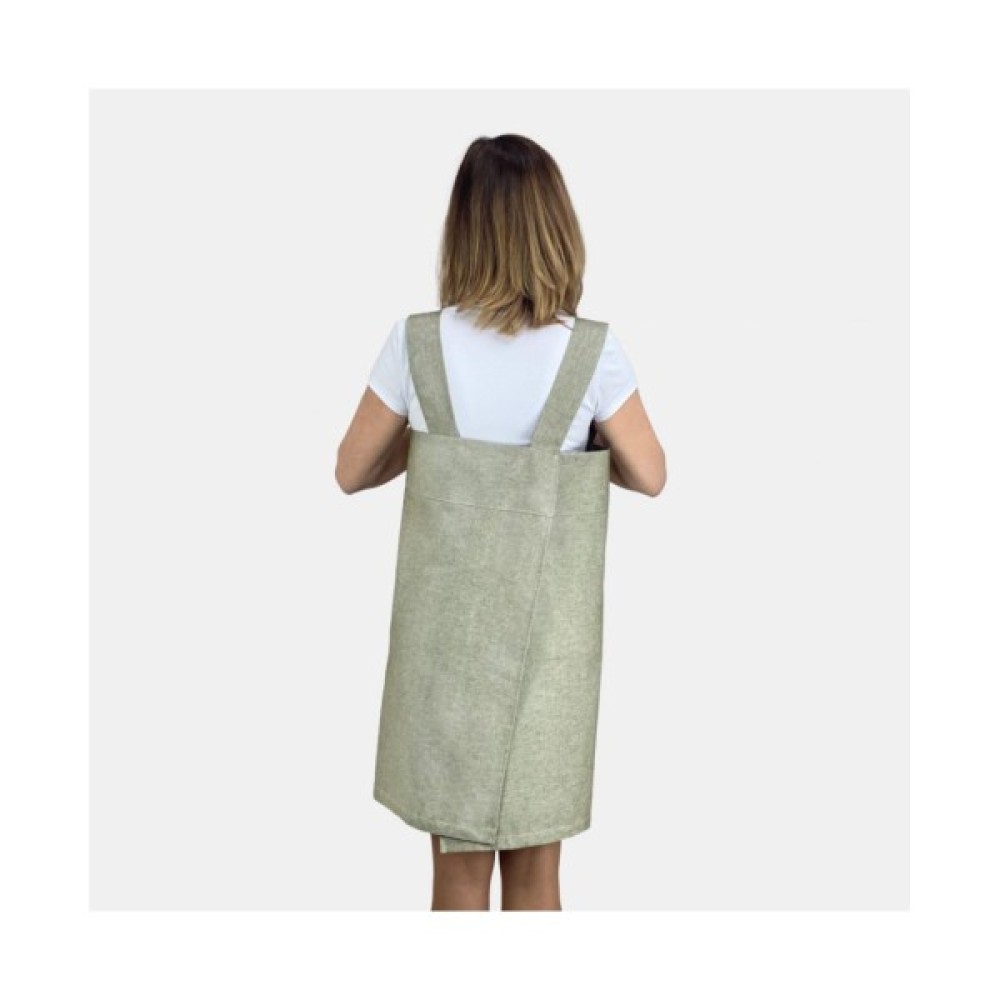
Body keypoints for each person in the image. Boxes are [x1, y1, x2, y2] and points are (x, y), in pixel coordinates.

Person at [336, 134, 667, 910]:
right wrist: (577, 449)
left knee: (454, 879)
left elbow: (352, 469)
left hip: (444, 659)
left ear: (463, 229)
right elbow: (650, 474)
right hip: (547, 660)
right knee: (537, 878)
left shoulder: (416, 342)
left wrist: (431, 448)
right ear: (557, 227)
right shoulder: (592, 353)